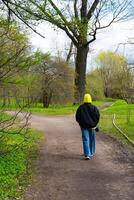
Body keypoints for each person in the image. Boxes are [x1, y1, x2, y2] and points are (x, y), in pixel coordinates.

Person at [75, 94, 100, 160]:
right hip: (92, 127)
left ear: (84, 99)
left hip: (83, 127)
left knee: (85, 140)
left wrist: (80, 123)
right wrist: (95, 124)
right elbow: (97, 117)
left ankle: (87, 154)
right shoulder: (94, 108)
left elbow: (77, 117)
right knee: (92, 139)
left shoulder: (80, 108)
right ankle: (91, 152)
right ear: (90, 99)